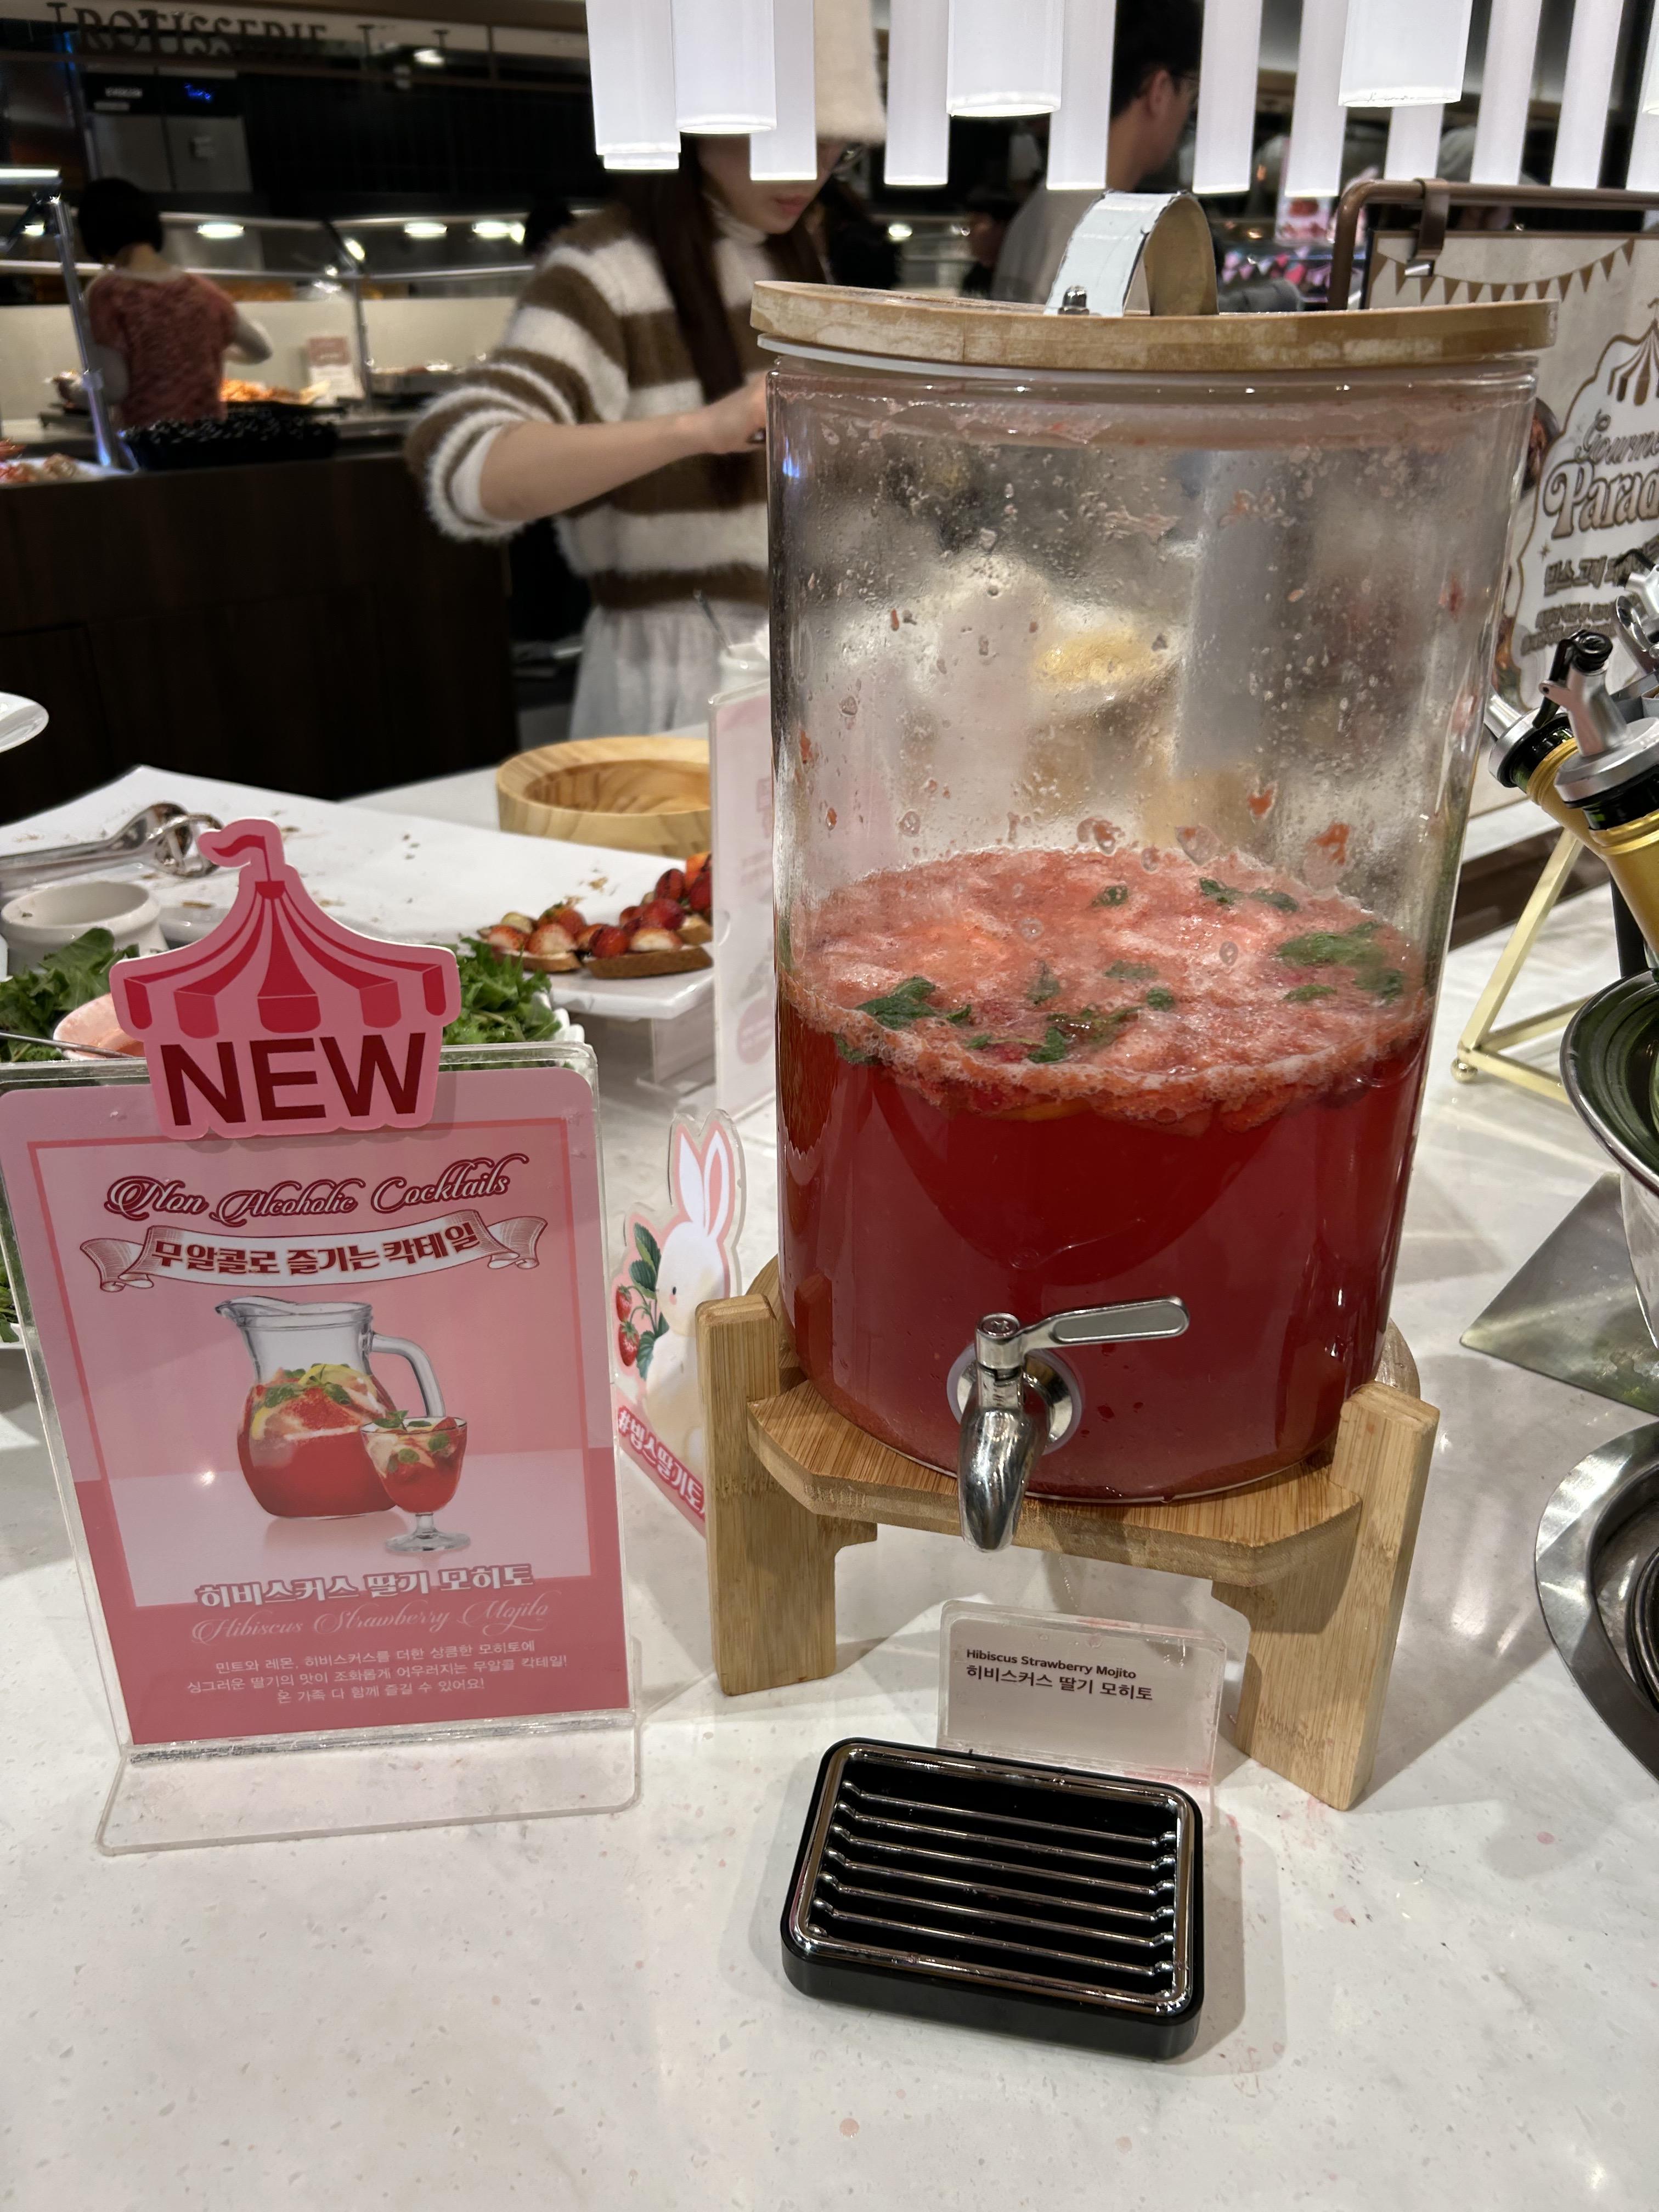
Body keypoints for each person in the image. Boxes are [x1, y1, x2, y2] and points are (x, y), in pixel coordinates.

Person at [409, 0, 884, 740]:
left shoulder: (793, 261)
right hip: (675, 667)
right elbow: (468, 467)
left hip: (806, 652)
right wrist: (699, 428)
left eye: (834, 146)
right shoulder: (605, 270)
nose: (812, 169)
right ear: (701, 119)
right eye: (783, 137)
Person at [992, 0, 1203, 307]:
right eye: (1190, 93)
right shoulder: (1114, 242)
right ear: (1159, 90)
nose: (1186, 112)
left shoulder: (1038, 208)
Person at [77, 177, 272, 430]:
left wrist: (74, 390)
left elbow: (113, 389)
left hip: (149, 441)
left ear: (95, 234)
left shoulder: (108, 293)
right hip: (210, 439)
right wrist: (201, 349)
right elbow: (261, 350)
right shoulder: (203, 291)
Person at [960, 185, 1017, 295]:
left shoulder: (1021, 273)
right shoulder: (976, 278)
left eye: (975, 224)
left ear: (1001, 226)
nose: (968, 234)